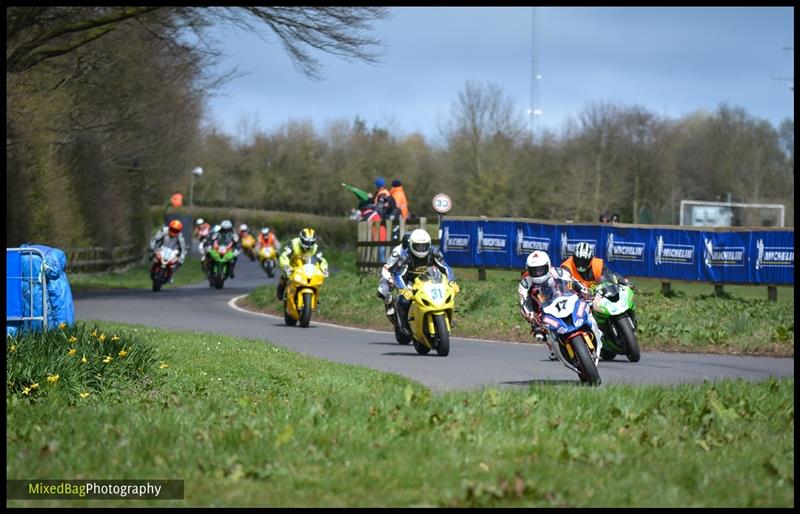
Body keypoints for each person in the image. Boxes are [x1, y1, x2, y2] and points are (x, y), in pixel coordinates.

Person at [518, 250, 597, 361]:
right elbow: (523, 302)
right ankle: (552, 346)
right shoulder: (525, 282)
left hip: (561, 298)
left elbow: (573, 282)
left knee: (587, 303)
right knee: (539, 327)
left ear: (548, 265)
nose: (538, 273)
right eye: (534, 270)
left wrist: (583, 291)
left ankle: (593, 326)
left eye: (541, 269)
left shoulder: (557, 272)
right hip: (541, 306)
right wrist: (530, 314)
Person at [391, 229, 458, 336]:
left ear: (429, 244)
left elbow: (445, 267)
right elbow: (398, 275)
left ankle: (449, 317)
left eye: (424, 246)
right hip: (411, 283)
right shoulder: (405, 256)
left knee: (449, 293)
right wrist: (404, 289)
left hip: (430, 281)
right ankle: (403, 324)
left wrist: (452, 281)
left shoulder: (434, 252)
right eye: (418, 246)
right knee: (403, 301)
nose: (421, 249)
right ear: (412, 245)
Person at [561, 242, 636, 331]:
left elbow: (610, 275)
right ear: (573, 258)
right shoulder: (566, 267)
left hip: (597, 292)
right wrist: (576, 292)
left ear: (590, 259)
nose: (581, 264)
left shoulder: (597, 264)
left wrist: (623, 281)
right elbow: (564, 285)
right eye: (578, 260)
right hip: (578, 297)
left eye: (584, 261)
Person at [276, 227, 329, 301]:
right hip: (293, 265)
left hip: (308, 268)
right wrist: (286, 266)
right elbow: (284, 256)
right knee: (284, 277)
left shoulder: (315, 248)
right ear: (301, 238)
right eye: (306, 242)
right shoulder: (293, 244)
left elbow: (321, 260)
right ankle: (280, 292)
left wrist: (324, 269)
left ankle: (315, 297)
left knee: (316, 280)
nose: (308, 245)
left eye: (311, 242)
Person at [376, 232, 412, 316]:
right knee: (381, 291)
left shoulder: (419, 248)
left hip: (410, 272)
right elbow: (387, 267)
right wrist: (389, 278)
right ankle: (389, 304)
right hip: (397, 272)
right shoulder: (397, 251)